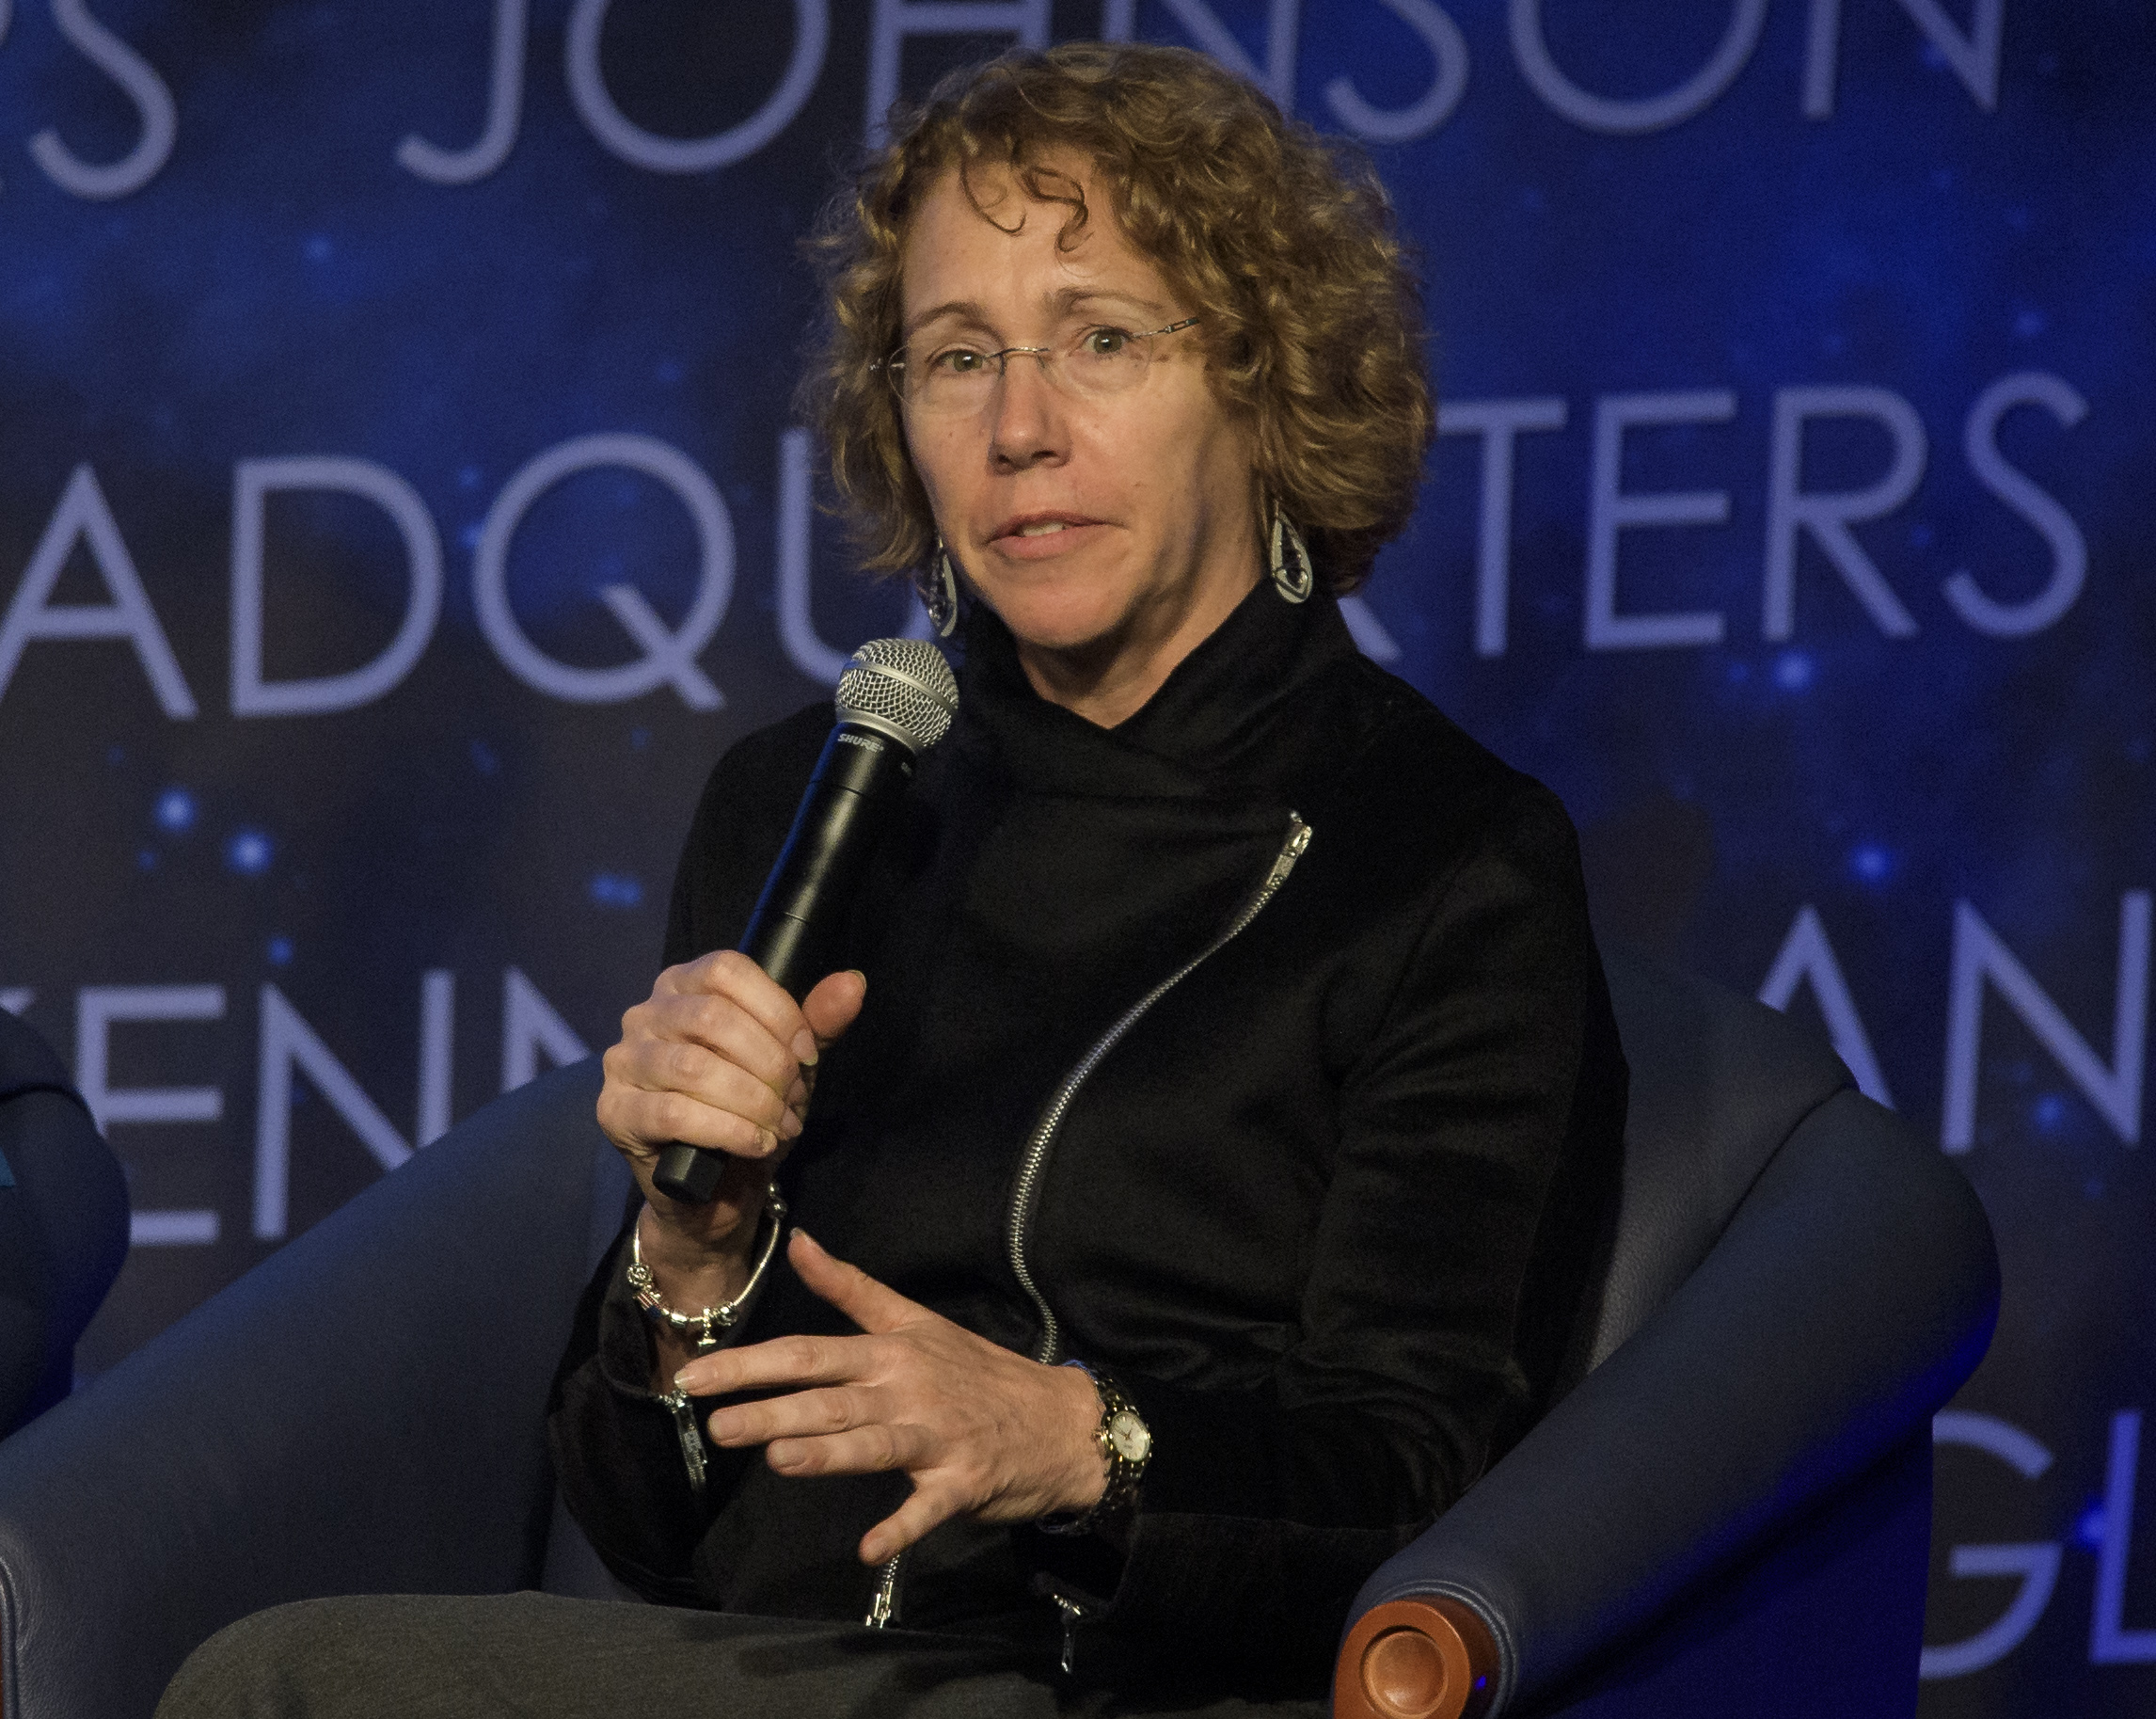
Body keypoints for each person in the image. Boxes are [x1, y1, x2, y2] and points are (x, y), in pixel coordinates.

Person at [158, 40, 1625, 1719]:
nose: (1019, 429)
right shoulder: (814, 793)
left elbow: (1423, 1470)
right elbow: (643, 1526)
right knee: (276, 1684)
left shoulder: (1443, 858)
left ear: (1266, 385)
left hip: (1127, 1680)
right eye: (956, 357)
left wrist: (1076, 1443)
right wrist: (692, 1252)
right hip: (777, 1665)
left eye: (1102, 339)